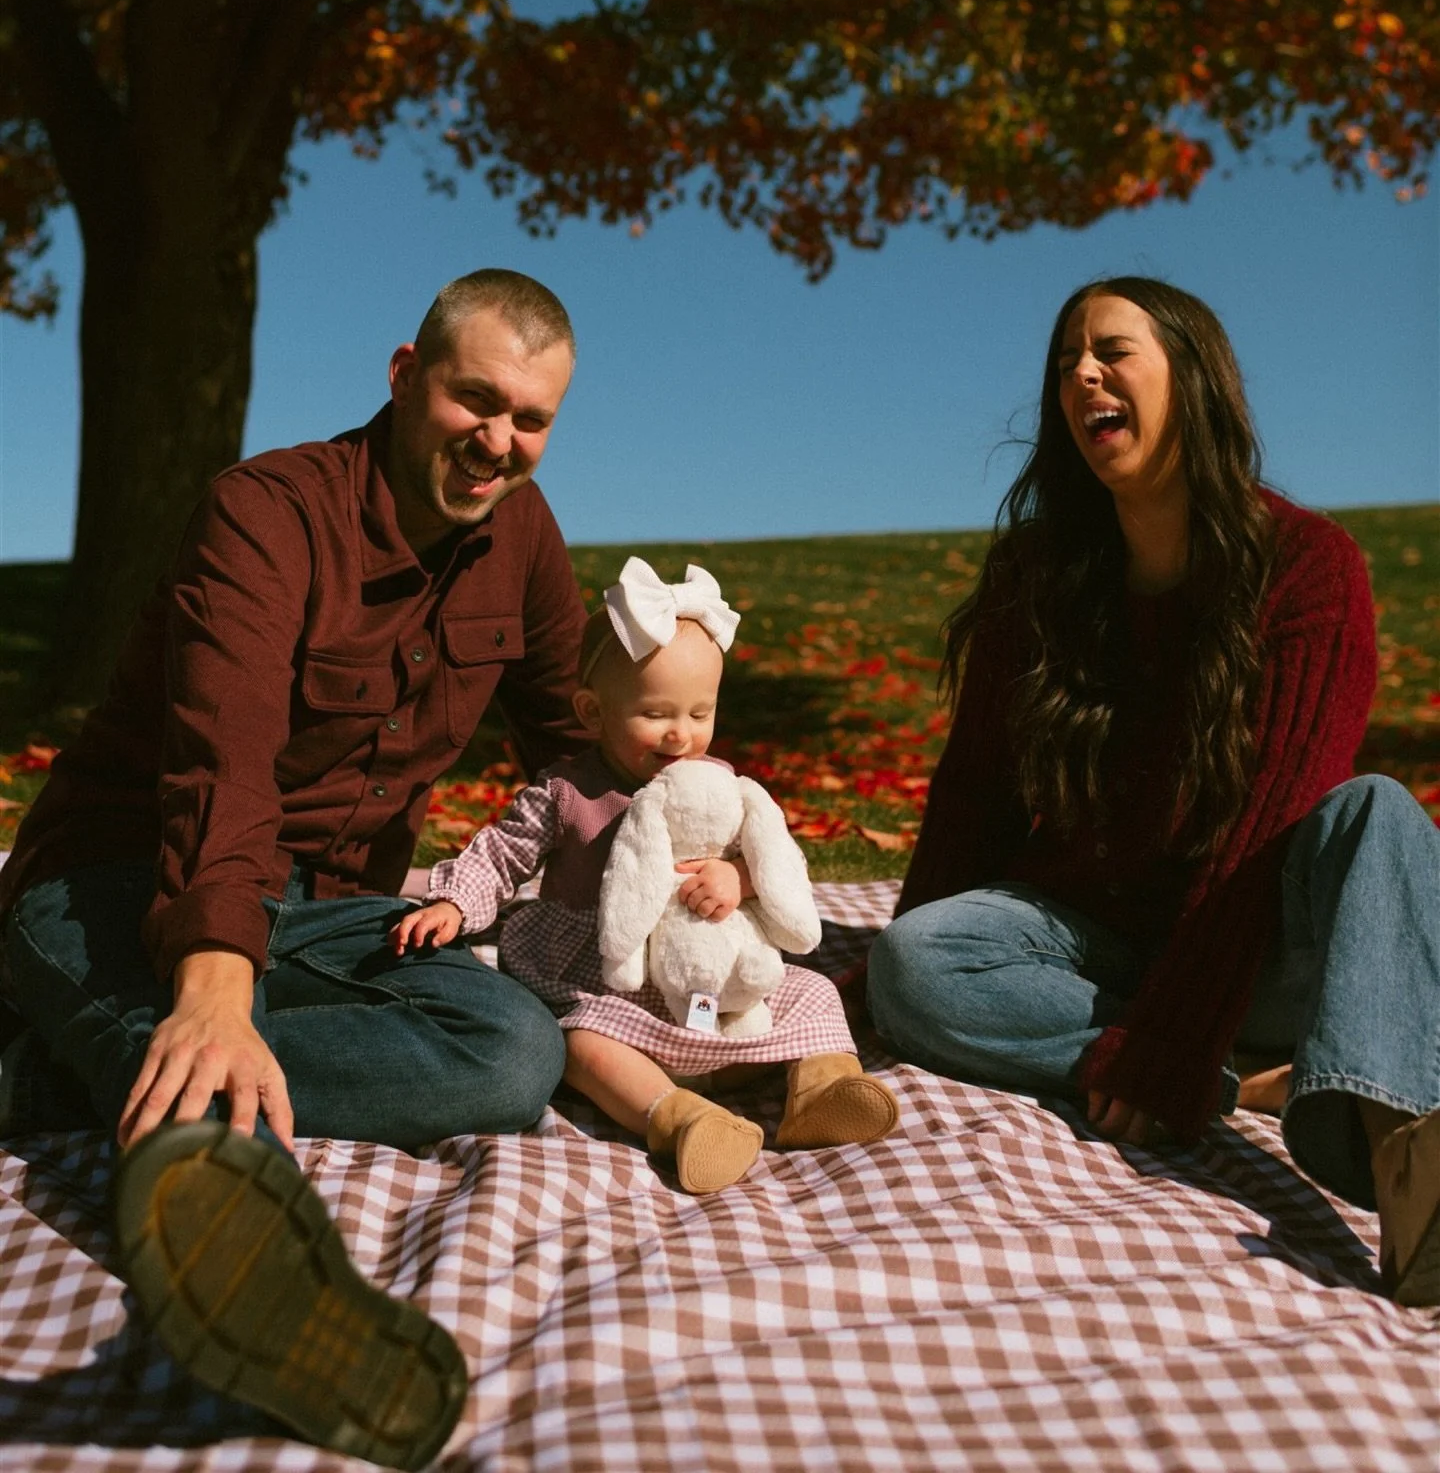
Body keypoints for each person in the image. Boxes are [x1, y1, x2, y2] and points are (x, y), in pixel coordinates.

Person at [0, 269, 594, 1466]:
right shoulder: (266, 511)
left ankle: (50, 1069)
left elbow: (573, 743)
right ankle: (253, 1286)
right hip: (122, 877)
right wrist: (216, 991)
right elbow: (220, 767)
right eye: (474, 400)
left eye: (530, 419)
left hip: (336, 913)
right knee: (212, 1041)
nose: (498, 443)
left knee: (517, 1050)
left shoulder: (520, 539)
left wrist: (689, 845)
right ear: (404, 374)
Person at [865, 276, 1440, 1307]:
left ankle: (1407, 1166)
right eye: (1064, 360)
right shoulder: (1038, 574)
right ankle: (1247, 1082)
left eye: (1112, 349)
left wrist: (1176, 1036)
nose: (1080, 372)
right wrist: (882, 1005)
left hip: (1256, 933)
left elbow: (1268, 830)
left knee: (1380, 813)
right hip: (1090, 940)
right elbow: (975, 797)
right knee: (913, 961)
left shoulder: (1310, 566)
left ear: (1194, 373)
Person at [395, 558, 899, 1194]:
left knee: (813, 993)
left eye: (699, 713)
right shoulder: (566, 792)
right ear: (593, 711)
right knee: (576, 1046)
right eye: (655, 714)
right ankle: (679, 1119)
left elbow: (780, 859)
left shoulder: (720, 786)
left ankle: (821, 1091)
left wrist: (740, 877)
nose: (681, 736)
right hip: (609, 984)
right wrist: (454, 904)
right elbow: (500, 854)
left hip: (716, 986)